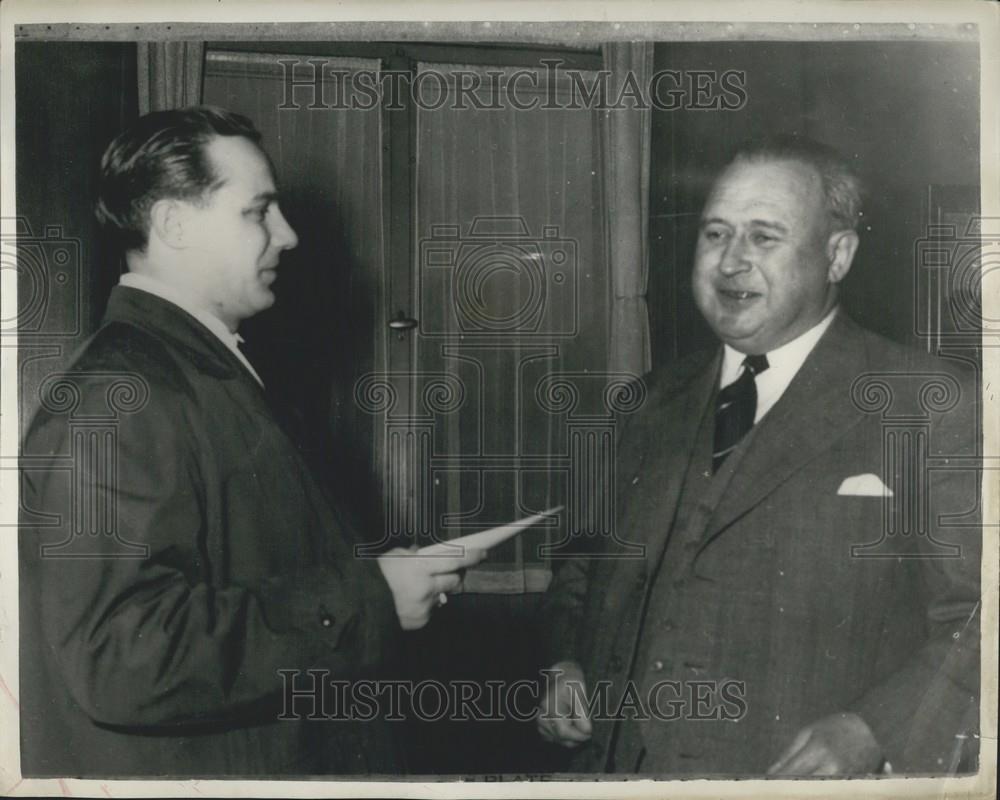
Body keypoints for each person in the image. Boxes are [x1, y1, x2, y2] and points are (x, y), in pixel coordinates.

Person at [19, 106, 482, 776]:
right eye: (257, 211)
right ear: (174, 225)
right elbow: (121, 657)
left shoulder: (192, 372)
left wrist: (380, 582)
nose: (288, 236)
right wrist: (367, 601)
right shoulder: (118, 396)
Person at [535, 136, 981, 776]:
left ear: (837, 256)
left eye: (764, 237)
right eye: (716, 234)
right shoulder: (645, 403)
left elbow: (981, 615)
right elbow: (581, 568)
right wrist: (564, 664)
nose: (731, 263)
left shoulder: (933, 405)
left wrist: (877, 728)